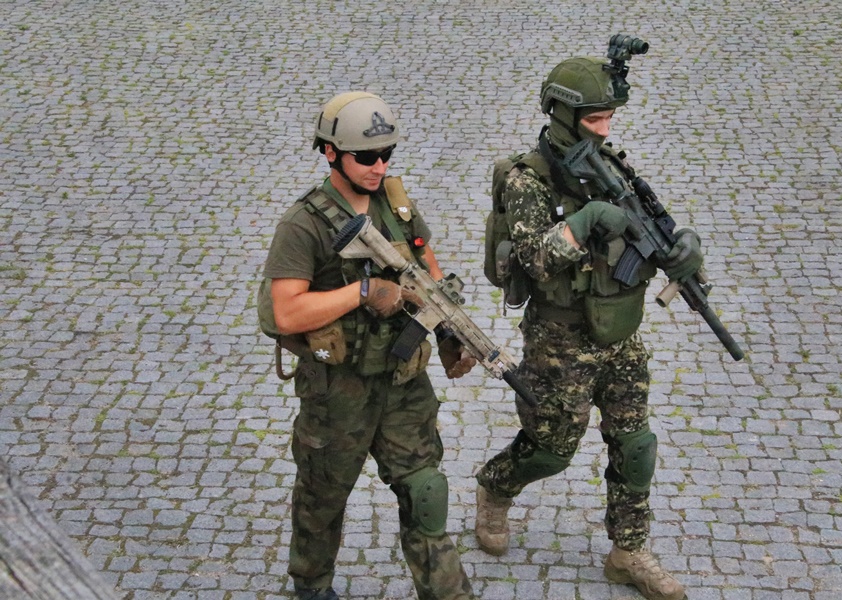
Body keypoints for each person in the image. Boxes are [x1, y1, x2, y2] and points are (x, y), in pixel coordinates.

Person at [474, 56, 704, 600]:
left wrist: (684, 251)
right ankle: (496, 487)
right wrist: (584, 221)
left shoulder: (612, 165)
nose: (605, 129)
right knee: (550, 449)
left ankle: (628, 553)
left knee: (636, 444)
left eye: (609, 118)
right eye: (595, 119)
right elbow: (532, 259)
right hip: (560, 340)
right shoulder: (528, 179)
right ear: (562, 114)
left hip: (621, 331)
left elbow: (650, 226)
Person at [259, 92, 476, 600]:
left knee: (426, 492)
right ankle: (312, 585)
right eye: (367, 157)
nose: (380, 167)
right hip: (338, 390)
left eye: (387, 155)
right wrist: (362, 292)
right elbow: (284, 312)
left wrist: (448, 330)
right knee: (322, 497)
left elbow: (429, 274)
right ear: (331, 152)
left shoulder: (396, 207)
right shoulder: (303, 224)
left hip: (403, 383)